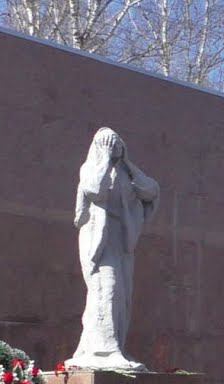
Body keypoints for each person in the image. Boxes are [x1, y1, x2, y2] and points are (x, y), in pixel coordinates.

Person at [67, 127, 160, 371]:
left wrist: (128, 164)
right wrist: (105, 158)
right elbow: (95, 190)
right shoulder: (91, 168)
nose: (114, 147)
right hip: (99, 241)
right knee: (105, 289)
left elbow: (151, 190)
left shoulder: (125, 173)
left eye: (117, 143)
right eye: (108, 143)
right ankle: (103, 349)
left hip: (121, 241)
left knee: (122, 295)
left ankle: (112, 345)